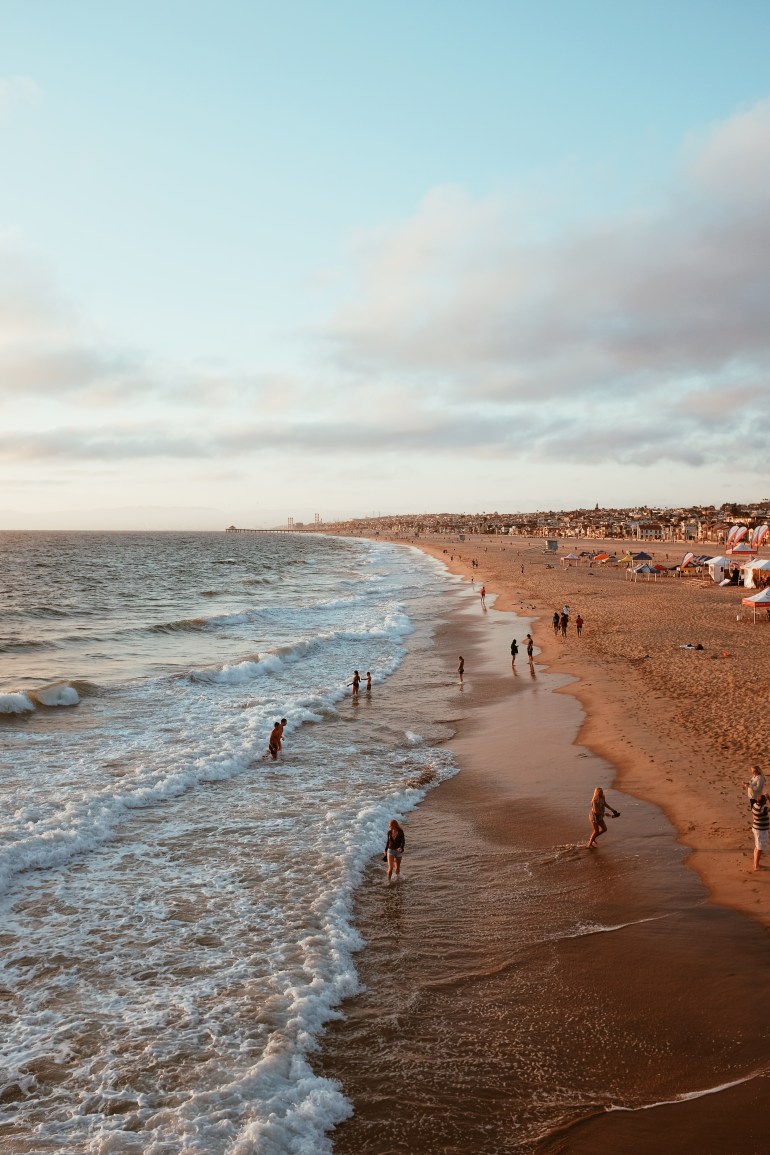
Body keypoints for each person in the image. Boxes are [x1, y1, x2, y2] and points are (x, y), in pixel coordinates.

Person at [750, 792, 769, 870]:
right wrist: (769, 798)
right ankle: (756, 866)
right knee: (759, 848)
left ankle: (756, 863)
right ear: (763, 802)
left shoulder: (755, 805)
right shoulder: (763, 809)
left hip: (756, 828)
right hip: (760, 830)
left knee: (757, 847)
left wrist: (765, 797)